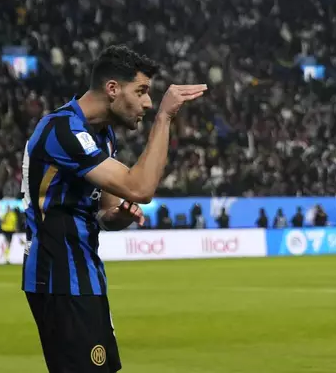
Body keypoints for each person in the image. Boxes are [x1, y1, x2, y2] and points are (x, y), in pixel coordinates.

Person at [21, 44, 206, 373]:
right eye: (141, 91)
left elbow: (105, 211)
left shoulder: (101, 136)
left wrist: (117, 217)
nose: (147, 103)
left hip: (85, 275)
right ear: (112, 89)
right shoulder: (61, 131)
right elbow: (140, 188)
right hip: (60, 278)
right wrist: (165, 118)